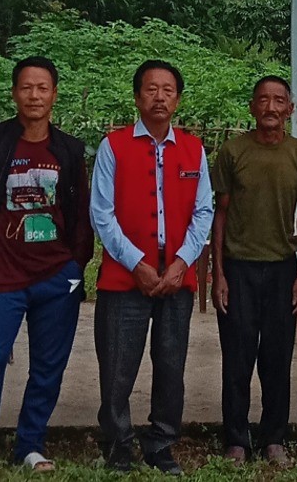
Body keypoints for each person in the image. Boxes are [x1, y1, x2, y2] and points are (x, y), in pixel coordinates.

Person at [0, 56, 93, 479]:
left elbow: (81, 213)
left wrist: (75, 266)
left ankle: (30, 443)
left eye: (42, 88)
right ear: (15, 93)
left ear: (54, 94)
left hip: (56, 276)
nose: (34, 95)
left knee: (48, 366)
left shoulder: (67, 149)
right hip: (5, 275)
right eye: (26, 87)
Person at [90, 61, 214, 476]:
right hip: (126, 275)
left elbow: (204, 212)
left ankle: (161, 443)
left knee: (171, 364)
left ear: (178, 98)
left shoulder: (194, 149)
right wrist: (137, 264)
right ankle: (117, 443)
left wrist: (182, 263)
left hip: (177, 276)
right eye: (150, 89)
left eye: (168, 90)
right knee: (117, 366)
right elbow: (101, 215)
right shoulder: (114, 145)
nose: (159, 97)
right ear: (137, 95)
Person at [211, 75, 297, 466]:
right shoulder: (232, 151)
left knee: (277, 359)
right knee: (237, 359)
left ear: (290, 109)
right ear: (252, 107)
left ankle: (275, 437)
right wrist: (218, 274)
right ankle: (236, 440)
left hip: (281, 270)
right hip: (239, 269)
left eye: (279, 101)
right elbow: (219, 215)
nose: (271, 108)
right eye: (263, 100)